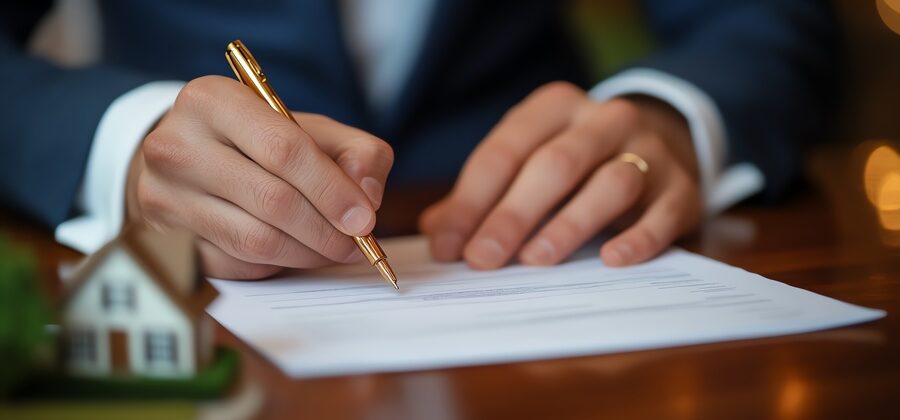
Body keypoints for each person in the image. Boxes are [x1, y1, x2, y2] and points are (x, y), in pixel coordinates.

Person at [0, 1, 836, 279]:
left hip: (543, 229)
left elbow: (759, 17)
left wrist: (670, 115)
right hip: (195, 284)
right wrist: (128, 143)